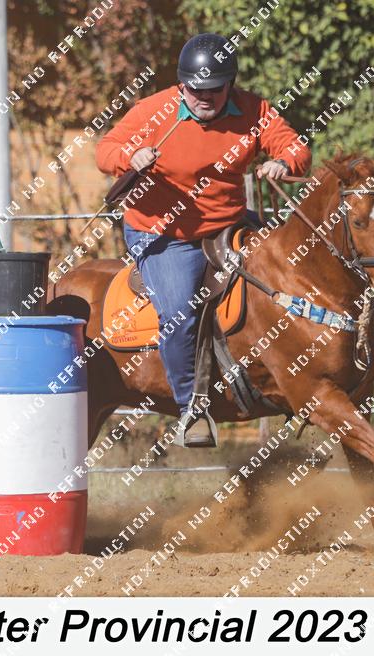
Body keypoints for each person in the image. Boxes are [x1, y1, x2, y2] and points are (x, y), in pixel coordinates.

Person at [95, 33, 312, 446]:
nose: (204, 97)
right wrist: (129, 157)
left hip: (228, 224)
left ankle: (300, 380)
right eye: (195, 90)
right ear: (182, 84)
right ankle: (191, 410)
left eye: (214, 89)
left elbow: (296, 147)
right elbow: (105, 150)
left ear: (230, 84)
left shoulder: (254, 109)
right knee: (179, 313)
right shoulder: (154, 111)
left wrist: (284, 162)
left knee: (290, 273)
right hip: (164, 232)